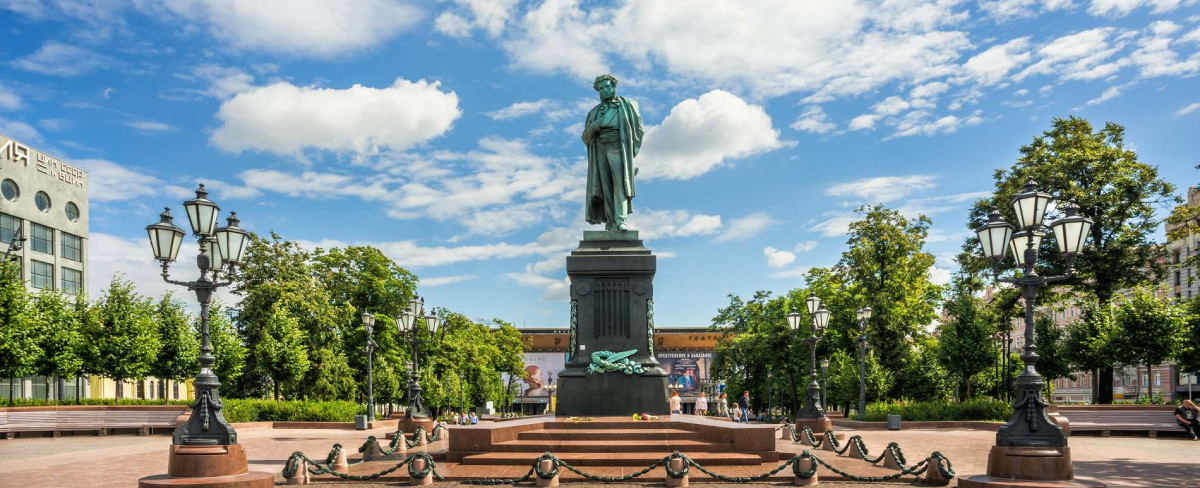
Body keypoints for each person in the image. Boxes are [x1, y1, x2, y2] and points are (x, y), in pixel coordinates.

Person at [582, 74, 644, 231]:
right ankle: (610, 222)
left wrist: (632, 152)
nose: (604, 90)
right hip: (599, 148)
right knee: (605, 186)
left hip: (618, 145)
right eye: (601, 88)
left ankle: (620, 219)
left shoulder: (628, 104)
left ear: (614, 86)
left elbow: (638, 128)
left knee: (620, 183)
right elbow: (585, 138)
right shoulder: (593, 112)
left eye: (607, 87)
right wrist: (594, 126)